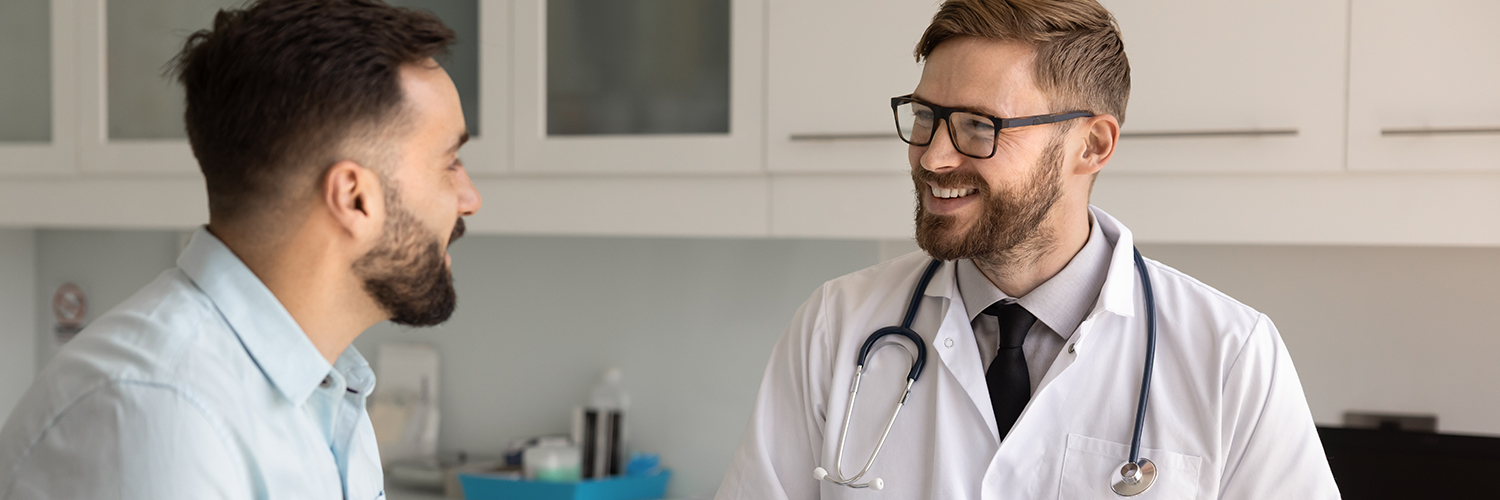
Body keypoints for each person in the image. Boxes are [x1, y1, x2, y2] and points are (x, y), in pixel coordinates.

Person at [715, 0, 1338, 498]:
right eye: (926, 116)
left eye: (979, 126)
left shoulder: (1231, 356)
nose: (933, 156)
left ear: (1091, 145)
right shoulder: (836, 326)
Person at [0, 0, 480, 497]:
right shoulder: (162, 415)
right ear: (354, 198)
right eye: (451, 163)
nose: (471, 199)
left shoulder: (325, 392)